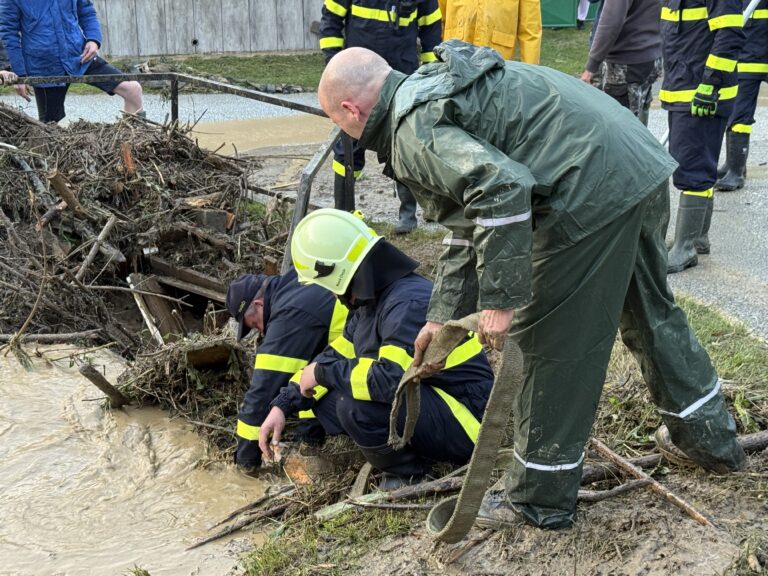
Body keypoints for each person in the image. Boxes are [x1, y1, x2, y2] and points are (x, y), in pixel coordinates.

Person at [316, 40, 746, 528]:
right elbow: (468, 225)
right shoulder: (431, 87)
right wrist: (442, 316)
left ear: (351, 110)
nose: (343, 130)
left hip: (587, 192)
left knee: (549, 348)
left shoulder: (413, 128)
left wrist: (501, 299)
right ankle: (711, 442)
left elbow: (501, 189)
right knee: (651, 315)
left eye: (337, 121)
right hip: (634, 167)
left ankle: (537, 498)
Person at [259, 210, 494, 488]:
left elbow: (392, 381)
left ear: (337, 274)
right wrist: (283, 404)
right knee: (327, 397)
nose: (332, 295)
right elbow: (336, 356)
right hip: (434, 402)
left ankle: (408, 474)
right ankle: (392, 449)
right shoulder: (371, 304)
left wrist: (322, 373)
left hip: (469, 422)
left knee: (355, 405)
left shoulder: (407, 303)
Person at [319, 0, 442, 233]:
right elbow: (330, 23)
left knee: (404, 148)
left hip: (401, 79)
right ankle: (343, 215)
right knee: (347, 151)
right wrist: (334, 66)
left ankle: (408, 216)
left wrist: (430, 77)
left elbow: (431, 32)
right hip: (356, 83)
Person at [225, 270, 349, 471]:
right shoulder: (294, 281)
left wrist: (245, 466)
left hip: (369, 364)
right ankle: (310, 440)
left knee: (316, 388)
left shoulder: (290, 315)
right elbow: (312, 365)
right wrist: (306, 439)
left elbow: (262, 393)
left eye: (256, 324)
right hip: (358, 346)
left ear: (258, 305)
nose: (262, 331)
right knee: (305, 374)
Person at [660, 0, 744, 272]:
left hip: (701, 92)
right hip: (682, 86)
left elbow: (730, 34)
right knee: (695, 163)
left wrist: (710, 83)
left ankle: (684, 248)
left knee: (693, 167)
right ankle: (696, 238)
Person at [0, 0, 144, 124]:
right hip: (44, 66)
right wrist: (19, 74)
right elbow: (7, 33)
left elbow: (87, 13)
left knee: (132, 90)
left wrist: (93, 39)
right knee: (49, 128)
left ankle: (135, 150)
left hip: (79, 57)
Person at [579, 0, 663, 126]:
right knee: (638, 124)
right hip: (651, 54)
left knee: (621, 128)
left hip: (626, 61)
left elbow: (611, 21)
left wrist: (591, 67)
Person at [715, 0, 768, 191]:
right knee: (737, 110)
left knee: (740, 111)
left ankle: (735, 170)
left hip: (756, 46)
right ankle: (734, 166)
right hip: (748, 48)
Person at [439, 0, 542, 64]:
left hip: (498, 63)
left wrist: (530, 73)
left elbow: (530, 30)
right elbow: (437, 22)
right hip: (454, 58)